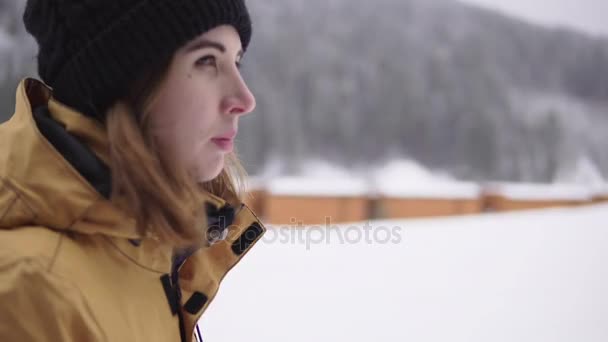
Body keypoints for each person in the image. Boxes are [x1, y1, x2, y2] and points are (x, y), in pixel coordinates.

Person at [0, 1, 266, 341]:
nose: (244, 98)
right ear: (123, 80)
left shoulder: (149, 252)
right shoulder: (30, 295)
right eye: (206, 61)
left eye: (237, 61)